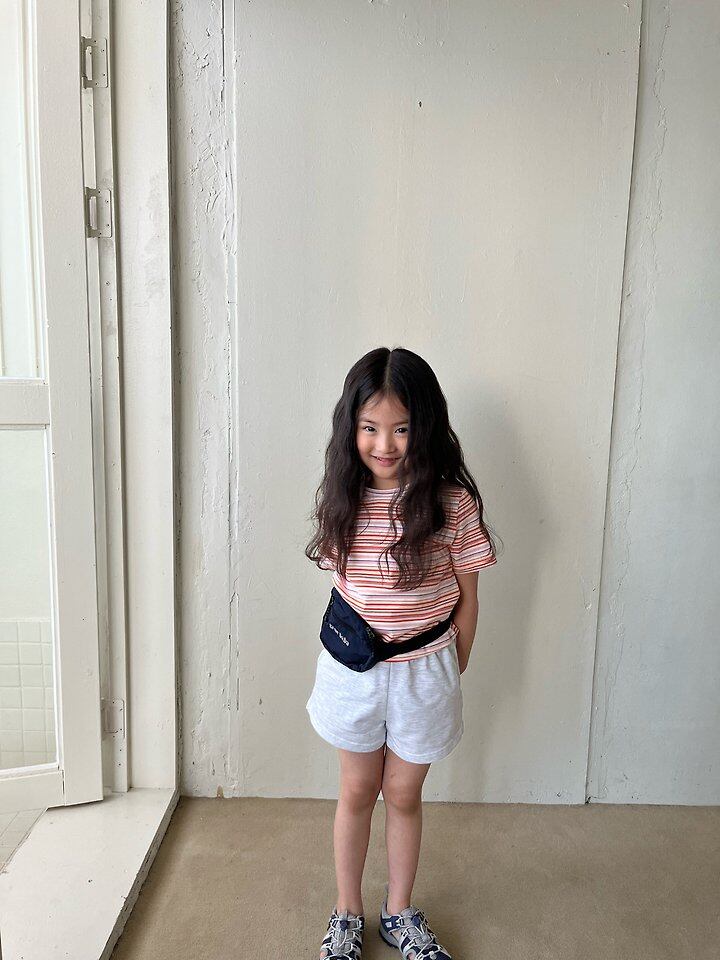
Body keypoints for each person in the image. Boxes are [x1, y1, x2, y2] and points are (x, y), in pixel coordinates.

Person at [305, 346, 500, 960]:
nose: (384, 444)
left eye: (401, 428)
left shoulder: (451, 503)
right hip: (354, 672)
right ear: (351, 428)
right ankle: (347, 912)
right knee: (356, 791)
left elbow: (468, 596)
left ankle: (399, 911)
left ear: (426, 426)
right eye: (370, 427)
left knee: (406, 793)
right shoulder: (343, 496)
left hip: (426, 671)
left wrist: (453, 663)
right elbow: (346, 588)